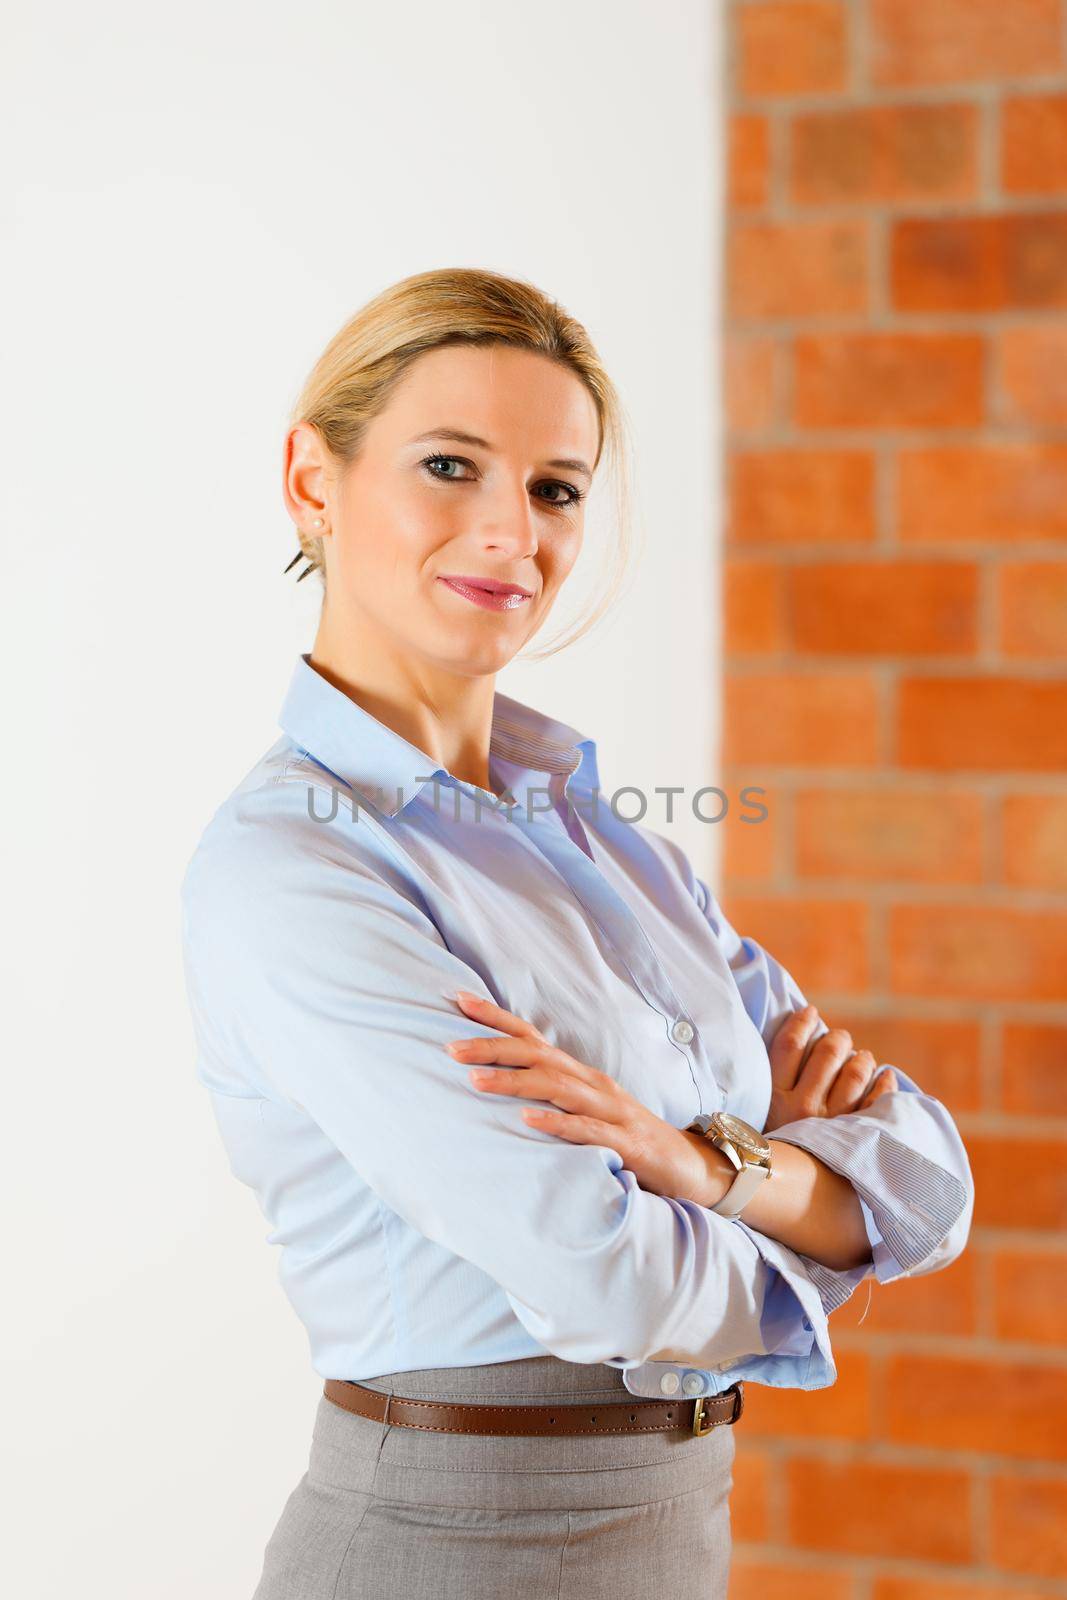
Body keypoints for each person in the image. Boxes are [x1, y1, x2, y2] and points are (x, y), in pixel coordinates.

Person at [179, 266, 974, 1600]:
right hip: (446, 1548)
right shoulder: (295, 866)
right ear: (314, 481)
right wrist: (803, 1189)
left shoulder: (620, 848)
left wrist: (695, 1162)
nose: (513, 533)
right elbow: (613, 1280)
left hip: (675, 1535)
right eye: (449, 466)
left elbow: (928, 1177)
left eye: (555, 488)